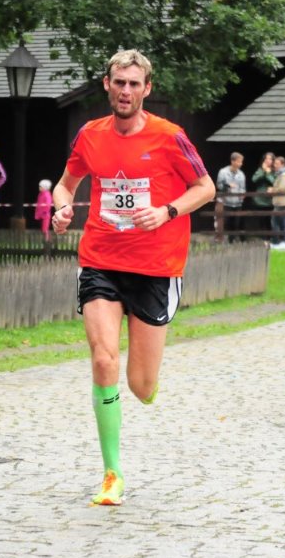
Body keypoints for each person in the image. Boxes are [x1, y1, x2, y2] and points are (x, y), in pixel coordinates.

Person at [49, 49, 214, 506]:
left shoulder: (170, 136)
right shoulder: (91, 135)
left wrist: (166, 211)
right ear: (107, 84)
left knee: (141, 387)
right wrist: (62, 208)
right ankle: (112, 474)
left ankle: (145, 382)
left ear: (147, 89)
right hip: (100, 259)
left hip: (155, 267)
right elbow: (65, 184)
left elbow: (205, 188)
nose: (125, 91)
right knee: (104, 360)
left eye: (134, 84)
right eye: (119, 82)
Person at [216, 152, 246, 241]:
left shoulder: (241, 174)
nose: (241, 164)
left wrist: (242, 194)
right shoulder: (223, 172)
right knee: (226, 221)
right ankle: (224, 239)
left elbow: (243, 188)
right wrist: (228, 185)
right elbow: (219, 185)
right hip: (226, 202)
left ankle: (232, 239)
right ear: (233, 161)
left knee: (236, 222)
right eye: (239, 161)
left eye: (241, 162)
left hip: (238, 202)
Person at [268, 156, 285, 249]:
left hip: (283, 203)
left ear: (282, 164)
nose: (275, 165)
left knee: (281, 223)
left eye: (277, 164)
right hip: (279, 203)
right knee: (277, 223)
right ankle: (277, 242)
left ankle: (284, 242)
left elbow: (282, 189)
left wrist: (272, 190)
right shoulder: (280, 174)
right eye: (274, 163)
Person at [250, 152, 276, 239]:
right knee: (261, 220)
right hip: (260, 200)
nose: (268, 160)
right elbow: (254, 179)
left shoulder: (274, 171)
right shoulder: (260, 170)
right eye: (266, 159)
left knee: (269, 220)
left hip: (270, 201)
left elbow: (274, 182)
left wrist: (268, 173)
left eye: (270, 159)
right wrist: (263, 171)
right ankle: (263, 239)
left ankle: (270, 238)